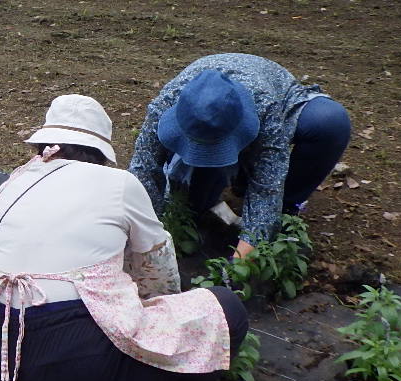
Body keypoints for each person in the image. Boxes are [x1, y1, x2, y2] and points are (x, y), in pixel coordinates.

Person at [0, 94, 249, 381]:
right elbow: (157, 269)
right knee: (225, 309)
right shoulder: (118, 184)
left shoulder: (11, 184)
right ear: (100, 151)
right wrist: (149, 311)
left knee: (21, 303)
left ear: (43, 144)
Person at [129, 54, 352, 260]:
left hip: (277, 97)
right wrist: (146, 237)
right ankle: (220, 185)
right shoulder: (167, 103)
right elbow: (143, 171)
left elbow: (267, 187)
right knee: (193, 205)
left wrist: (240, 263)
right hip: (207, 117)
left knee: (329, 122)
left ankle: (286, 206)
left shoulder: (266, 108)